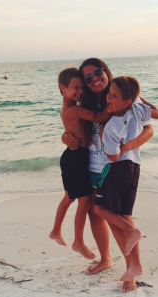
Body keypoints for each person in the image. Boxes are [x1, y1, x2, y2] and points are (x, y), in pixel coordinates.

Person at [61, 58, 158, 292]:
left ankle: (132, 267)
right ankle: (106, 259)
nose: (94, 78)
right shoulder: (85, 102)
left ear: (105, 71)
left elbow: (150, 127)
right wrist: (65, 137)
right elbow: (73, 125)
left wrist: (127, 146)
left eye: (98, 72)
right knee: (97, 215)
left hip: (117, 165)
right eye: (88, 77)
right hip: (92, 165)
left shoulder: (124, 92)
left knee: (121, 218)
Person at [94, 76, 158, 284]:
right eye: (108, 94)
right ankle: (135, 266)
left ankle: (132, 231)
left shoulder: (111, 127)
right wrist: (137, 97)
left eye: (114, 96)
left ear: (126, 101)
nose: (108, 98)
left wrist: (104, 137)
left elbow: (112, 156)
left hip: (114, 168)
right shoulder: (137, 110)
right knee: (124, 213)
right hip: (134, 167)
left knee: (100, 209)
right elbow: (157, 113)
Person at [49, 67, 110, 260]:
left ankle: (56, 231)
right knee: (83, 202)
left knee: (69, 198)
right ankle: (78, 242)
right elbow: (99, 117)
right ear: (63, 88)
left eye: (82, 87)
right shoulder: (74, 109)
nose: (81, 91)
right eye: (76, 87)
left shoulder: (69, 107)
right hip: (76, 158)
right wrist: (116, 104)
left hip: (74, 156)